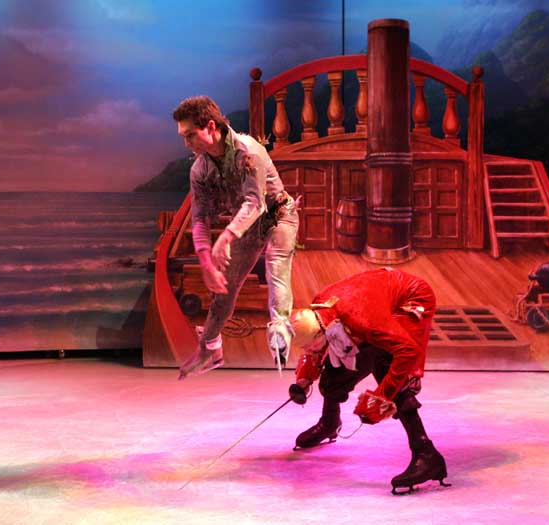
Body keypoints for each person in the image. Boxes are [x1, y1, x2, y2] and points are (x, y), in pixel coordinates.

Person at [288, 267, 449, 494]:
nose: (307, 350)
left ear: (320, 333)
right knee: (335, 374)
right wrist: (304, 379)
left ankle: (426, 453)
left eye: (309, 345)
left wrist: (381, 398)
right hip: (370, 299)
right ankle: (330, 422)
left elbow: (407, 351)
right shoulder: (319, 311)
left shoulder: (364, 320)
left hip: (411, 296)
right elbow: (318, 348)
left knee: (386, 363)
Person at [173, 96, 298, 378]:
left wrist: (227, 237)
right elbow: (201, 218)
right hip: (247, 225)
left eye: (190, 134)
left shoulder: (247, 151)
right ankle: (210, 347)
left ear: (210, 126)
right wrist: (206, 261)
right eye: (183, 136)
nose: (186, 143)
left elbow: (256, 202)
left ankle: (279, 330)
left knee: (276, 265)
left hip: (278, 213)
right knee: (224, 287)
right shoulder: (200, 169)